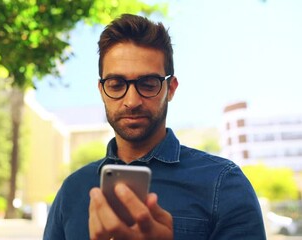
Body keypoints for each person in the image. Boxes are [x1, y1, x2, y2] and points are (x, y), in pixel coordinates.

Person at [43, 14, 266, 240]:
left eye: (148, 85)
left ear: (170, 89)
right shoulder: (72, 190)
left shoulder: (224, 184)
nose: (131, 101)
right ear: (102, 90)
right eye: (116, 85)